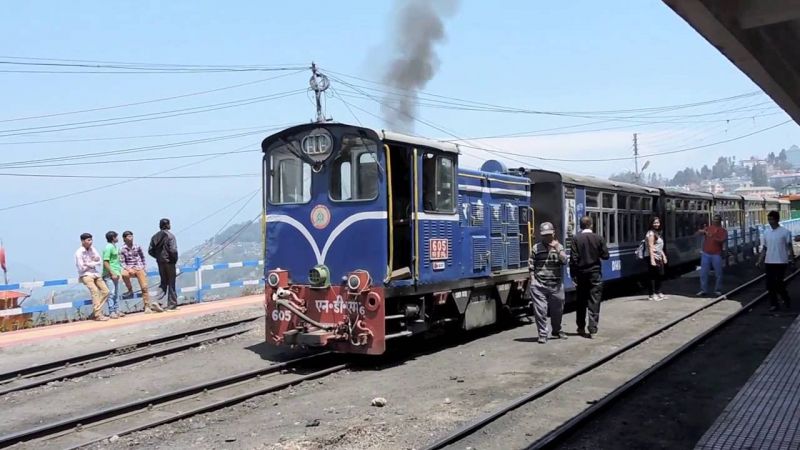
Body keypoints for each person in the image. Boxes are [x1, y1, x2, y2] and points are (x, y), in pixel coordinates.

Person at [569, 216, 609, 338]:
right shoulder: (599, 238)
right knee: (594, 300)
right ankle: (593, 329)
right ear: (591, 225)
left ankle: (580, 327)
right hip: (595, 273)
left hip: (581, 274)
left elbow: (573, 259)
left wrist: (573, 275)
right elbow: (605, 256)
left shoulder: (576, 239)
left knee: (581, 301)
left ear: (580, 226)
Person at [529, 222, 568, 344]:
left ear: (553, 233)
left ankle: (556, 330)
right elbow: (531, 265)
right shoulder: (536, 248)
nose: (547, 237)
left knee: (558, 311)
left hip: (556, 285)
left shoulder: (559, 246)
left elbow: (565, 260)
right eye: (545, 235)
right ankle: (542, 334)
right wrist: (533, 280)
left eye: (549, 234)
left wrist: (557, 248)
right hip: (539, 285)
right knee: (540, 311)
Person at [757, 210, 795, 311]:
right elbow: (764, 248)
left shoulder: (785, 232)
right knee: (769, 284)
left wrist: (792, 260)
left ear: (777, 220)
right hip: (769, 261)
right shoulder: (766, 233)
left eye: (772, 219)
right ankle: (774, 304)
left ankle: (785, 298)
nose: (770, 222)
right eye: (769, 219)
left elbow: (789, 247)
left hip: (781, 261)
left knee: (779, 283)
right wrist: (760, 260)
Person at [121, 230, 163, 313]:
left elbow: (142, 257)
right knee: (124, 274)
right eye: (128, 236)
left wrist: (144, 267)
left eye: (131, 236)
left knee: (144, 287)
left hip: (139, 267)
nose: (131, 238)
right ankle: (130, 290)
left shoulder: (137, 246)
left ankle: (147, 306)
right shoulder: (122, 249)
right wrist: (128, 269)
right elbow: (122, 261)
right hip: (130, 268)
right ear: (124, 238)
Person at [75, 233, 110, 321]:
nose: (90, 242)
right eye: (88, 240)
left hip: (95, 273)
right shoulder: (79, 252)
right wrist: (93, 263)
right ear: (83, 241)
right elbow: (81, 267)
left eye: (91, 240)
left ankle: (95, 311)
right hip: (86, 275)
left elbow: (99, 260)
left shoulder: (92, 249)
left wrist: (89, 263)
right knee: (95, 292)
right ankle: (98, 315)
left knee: (106, 291)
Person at [149, 218, 179, 311]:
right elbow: (173, 250)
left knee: (163, 282)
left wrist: (158, 257)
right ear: (167, 225)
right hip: (169, 262)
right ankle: (172, 305)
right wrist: (174, 260)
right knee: (171, 283)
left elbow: (150, 251)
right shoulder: (170, 236)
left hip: (160, 262)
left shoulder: (154, 237)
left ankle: (155, 300)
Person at [696, 214, 727, 297]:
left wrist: (712, 236)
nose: (715, 221)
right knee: (703, 273)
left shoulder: (723, 231)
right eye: (714, 219)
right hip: (706, 253)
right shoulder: (708, 228)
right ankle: (703, 290)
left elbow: (722, 240)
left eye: (717, 219)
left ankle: (718, 290)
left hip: (716, 254)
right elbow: (698, 233)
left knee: (718, 273)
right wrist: (702, 232)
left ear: (720, 221)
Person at [102, 231, 125, 319]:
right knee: (111, 293)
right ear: (113, 238)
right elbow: (106, 261)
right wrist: (112, 272)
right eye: (116, 237)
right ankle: (111, 311)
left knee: (116, 293)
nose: (117, 238)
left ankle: (117, 310)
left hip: (116, 271)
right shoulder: (109, 247)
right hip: (110, 274)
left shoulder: (115, 247)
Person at [646, 217, 668, 301]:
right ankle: (652, 294)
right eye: (654, 223)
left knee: (659, 275)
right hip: (653, 256)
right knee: (653, 276)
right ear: (651, 224)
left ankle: (659, 292)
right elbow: (650, 246)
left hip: (658, 256)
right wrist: (652, 259)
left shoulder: (658, 233)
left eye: (657, 223)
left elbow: (659, 247)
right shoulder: (651, 233)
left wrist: (664, 256)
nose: (656, 224)